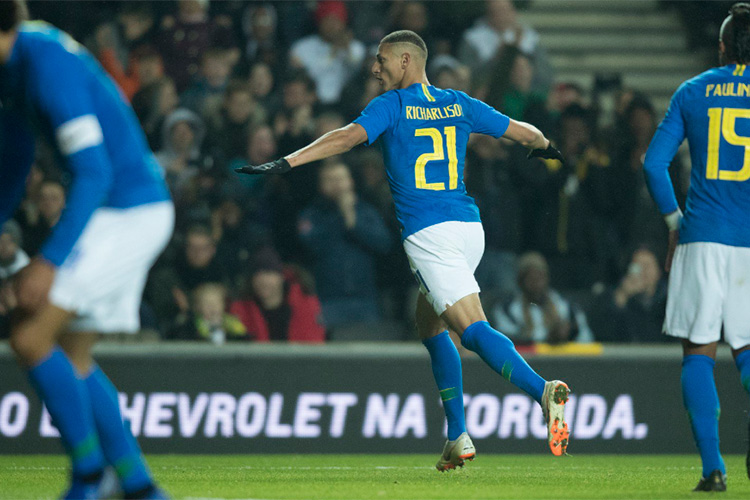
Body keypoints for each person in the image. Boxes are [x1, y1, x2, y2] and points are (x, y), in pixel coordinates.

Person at [236, 29, 571, 469]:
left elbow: (347, 137)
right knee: (430, 325)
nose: (375, 68)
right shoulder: (459, 102)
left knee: (471, 329)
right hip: (469, 228)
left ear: (407, 61)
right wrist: (546, 146)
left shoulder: (392, 105)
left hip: (429, 234)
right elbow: (523, 133)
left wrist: (288, 161)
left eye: (382, 59)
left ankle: (542, 391)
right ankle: (457, 435)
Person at [0, 2, 172, 498]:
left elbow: (95, 171)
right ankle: (138, 486)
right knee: (71, 354)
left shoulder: (46, 61)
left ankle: (89, 477)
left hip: (128, 212)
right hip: (119, 211)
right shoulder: (16, 67)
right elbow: (16, 157)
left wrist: (48, 262)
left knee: (30, 336)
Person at [643, 3, 750, 492]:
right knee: (746, 350)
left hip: (703, 235)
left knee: (698, 354)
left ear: (722, 47)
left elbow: (653, 164)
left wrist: (674, 222)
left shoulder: (693, 91)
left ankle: (713, 468)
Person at [492, 252, 593, 344]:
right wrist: (549, 339)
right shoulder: (507, 309)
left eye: (540, 278)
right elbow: (507, 343)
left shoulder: (566, 307)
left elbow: (586, 339)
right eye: (531, 279)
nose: (537, 284)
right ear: (520, 282)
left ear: (547, 278)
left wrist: (571, 335)